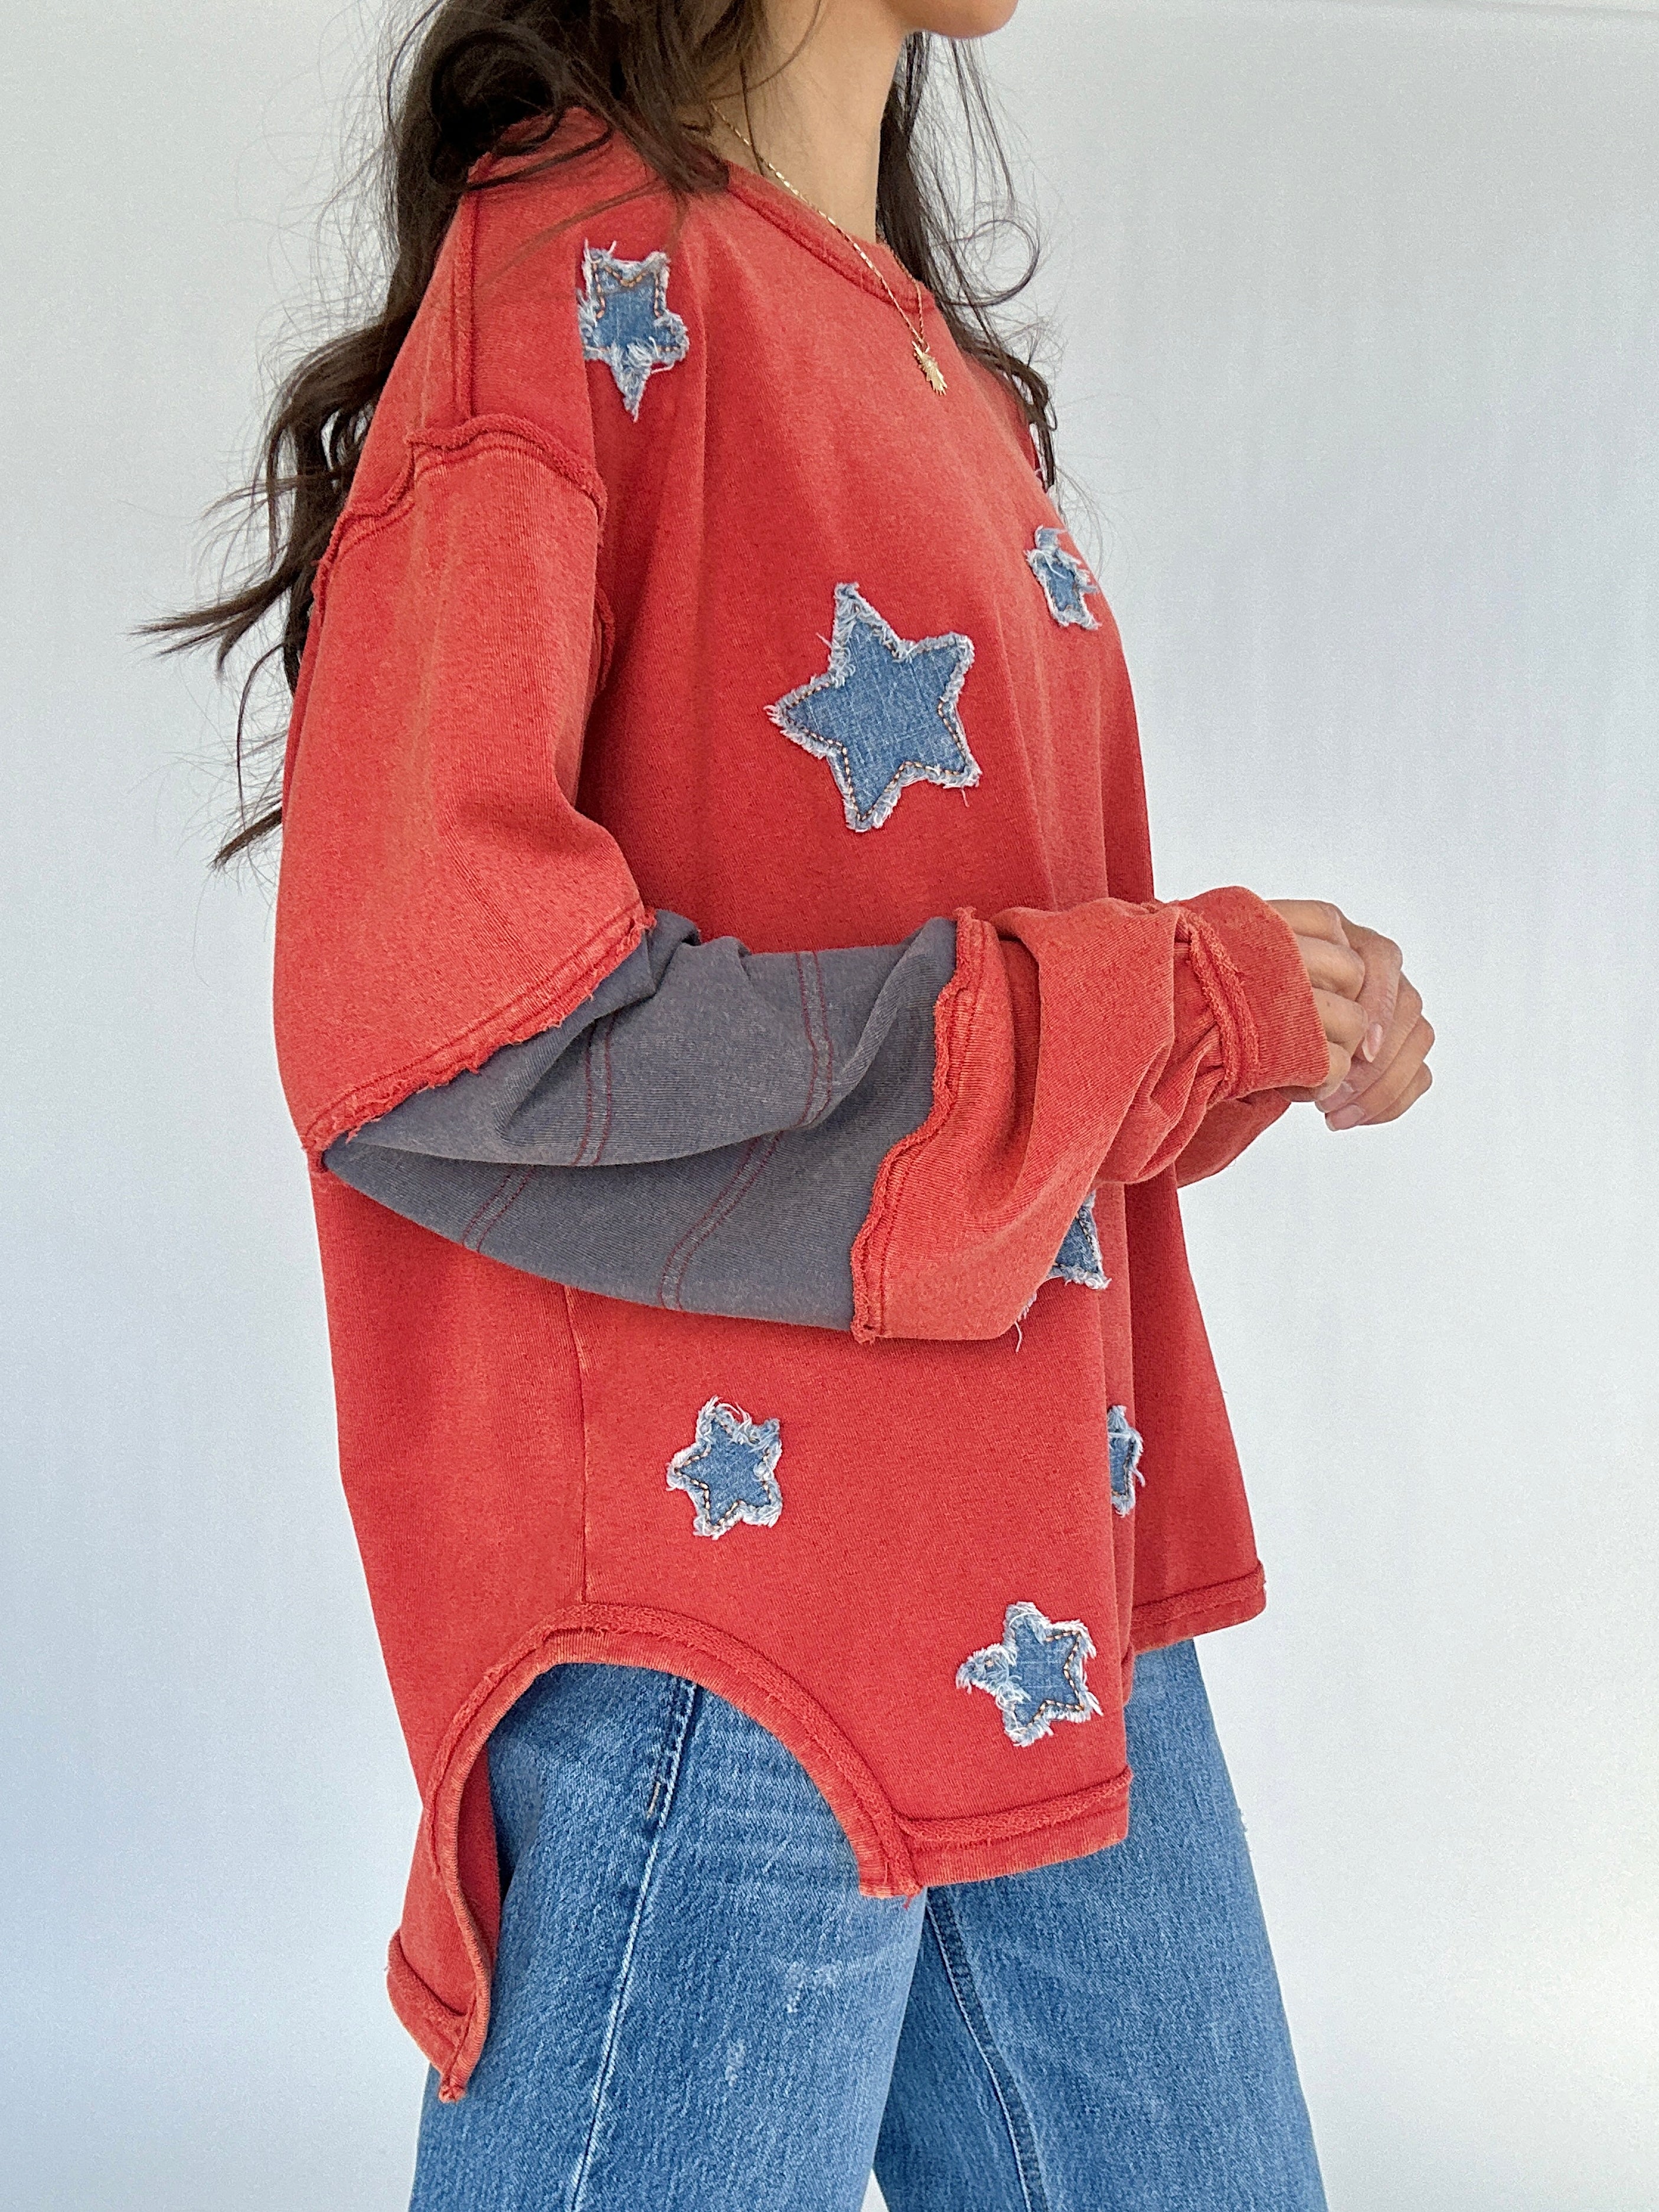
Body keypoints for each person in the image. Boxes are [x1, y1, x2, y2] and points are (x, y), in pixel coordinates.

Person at [165, 1, 1433, 2204]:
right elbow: (432, 1030)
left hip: (1035, 1580)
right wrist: (1135, 1008)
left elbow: (942, 976)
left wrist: (1240, 1019)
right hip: (725, 1646)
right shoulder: (577, 273)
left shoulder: (918, 355)